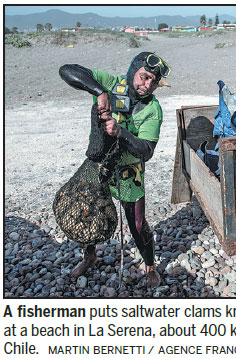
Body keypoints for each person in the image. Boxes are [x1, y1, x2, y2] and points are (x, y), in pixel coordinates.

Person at [59, 51, 171, 288]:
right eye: (144, 76)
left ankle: (150, 265)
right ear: (133, 70)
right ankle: (89, 257)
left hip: (129, 171)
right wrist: (99, 92)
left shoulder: (152, 109)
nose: (147, 84)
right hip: (99, 165)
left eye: (153, 81)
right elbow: (67, 70)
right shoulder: (110, 84)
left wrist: (121, 132)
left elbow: (146, 151)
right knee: (86, 212)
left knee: (138, 225)